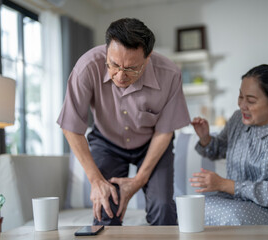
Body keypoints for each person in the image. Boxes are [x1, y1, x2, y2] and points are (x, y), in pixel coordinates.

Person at [57, 18, 190, 226]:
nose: (120, 75)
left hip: (151, 143)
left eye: (131, 69)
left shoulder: (170, 74)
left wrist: (139, 180)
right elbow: (71, 126)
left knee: (163, 207)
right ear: (107, 50)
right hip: (106, 141)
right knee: (106, 206)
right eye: (114, 64)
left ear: (148, 58)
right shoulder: (86, 67)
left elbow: (164, 132)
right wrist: (96, 180)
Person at [190, 64, 268, 239]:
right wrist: (205, 137)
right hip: (235, 202)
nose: (242, 105)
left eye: (250, 100)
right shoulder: (237, 120)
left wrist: (225, 185)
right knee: (192, 208)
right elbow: (218, 149)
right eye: (240, 96)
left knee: (234, 217)